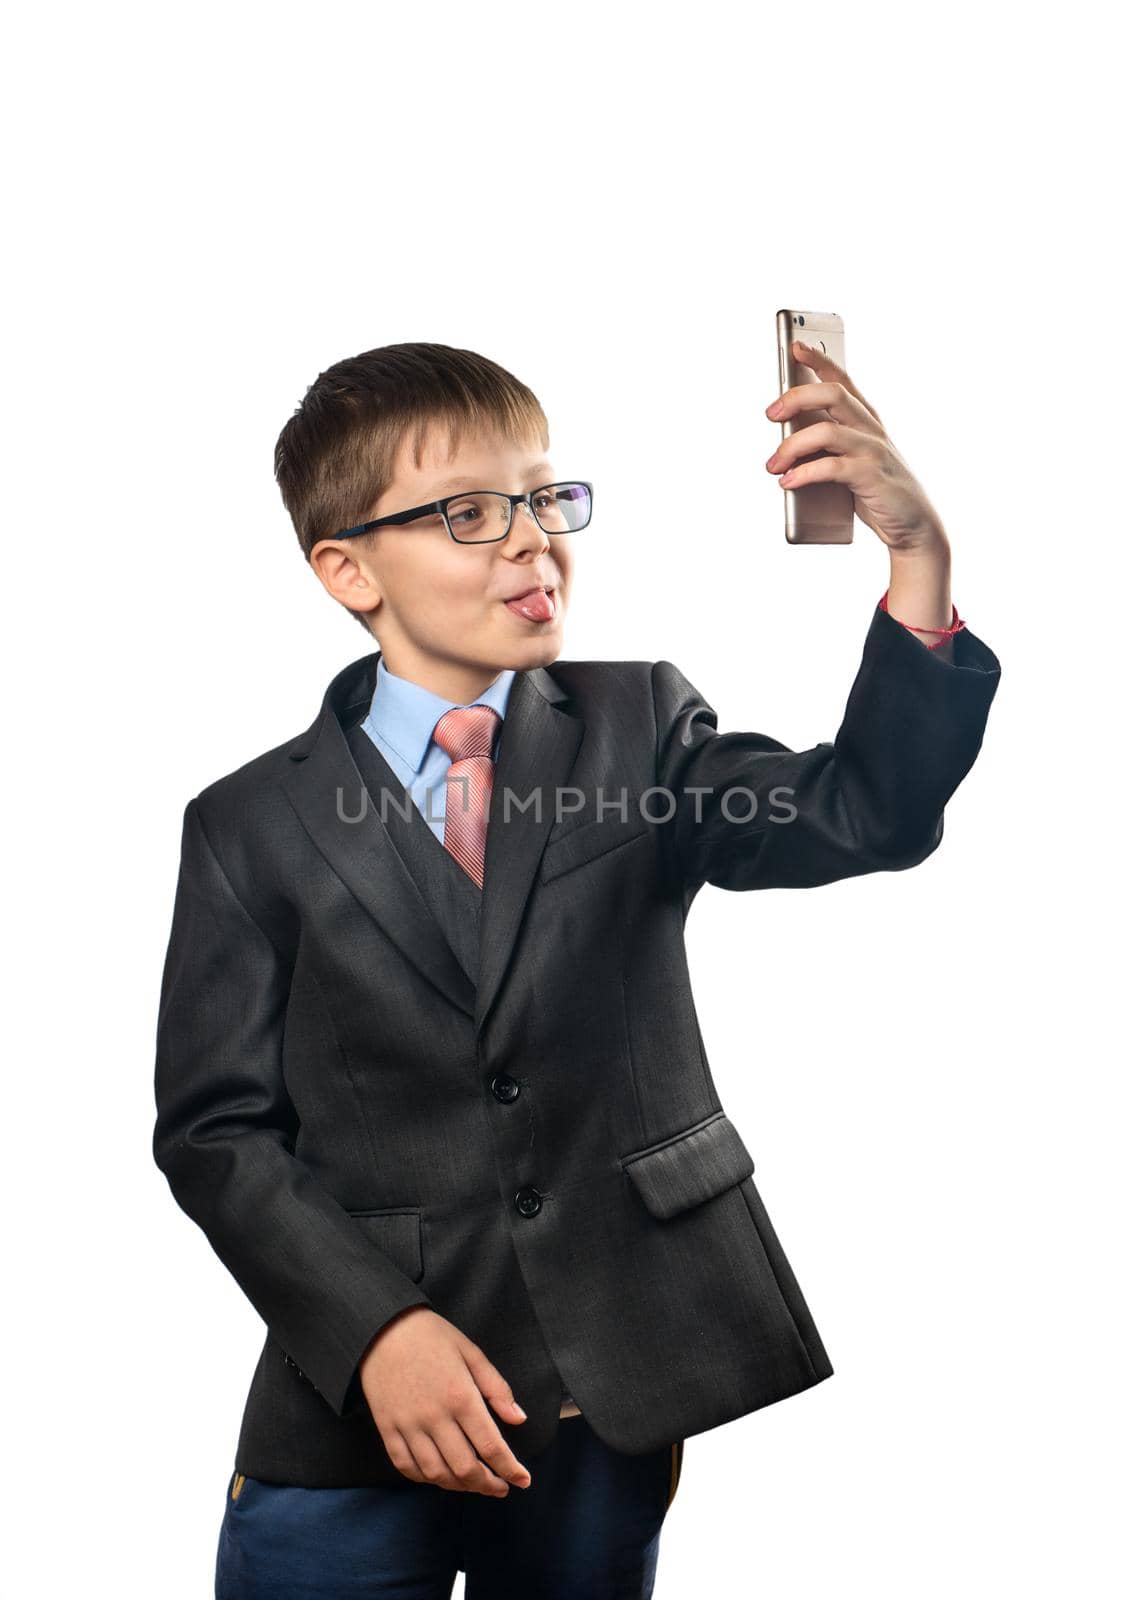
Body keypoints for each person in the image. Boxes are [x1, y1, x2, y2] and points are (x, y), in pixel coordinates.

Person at [152, 339, 1002, 1598]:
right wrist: (376, 1331)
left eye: (545, 499)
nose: (531, 541)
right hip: (351, 1402)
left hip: (604, 1383)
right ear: (346, 569)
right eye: (469, 514)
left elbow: (861, 813)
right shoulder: (246, 825)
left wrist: (918, 559)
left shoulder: (637, 723)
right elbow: (216, 1131)